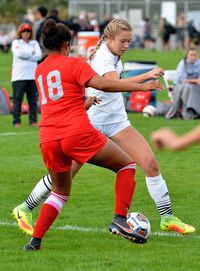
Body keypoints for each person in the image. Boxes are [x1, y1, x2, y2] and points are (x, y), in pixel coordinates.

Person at [13, 19, 195, 244]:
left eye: (129, 41)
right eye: (122, 41)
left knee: (149, 163)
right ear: (109, 38)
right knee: (66, 178)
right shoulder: (101, 58)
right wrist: (143, 81)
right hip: (90, 124)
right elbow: (109, 83)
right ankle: (26, 207)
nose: (126, 45)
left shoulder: (46, 67)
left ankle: (167, 217)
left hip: (114, 120)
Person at [11, 23, 42, 127]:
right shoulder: (16, 42)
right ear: (20, 32)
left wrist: (27, 54)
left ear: (31, 33)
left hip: (32, 76)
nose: (26, 33)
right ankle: (17, 122)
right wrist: (31, 54)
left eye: (28, 31)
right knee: (17, 101)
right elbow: (19, 54)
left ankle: (33, 121)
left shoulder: (34, 43)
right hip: (18, 77)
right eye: (24, 31)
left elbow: (39, 56)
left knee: (32, 101)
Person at [166, 48, 200, 119]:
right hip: (180, 86)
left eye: (195, 55)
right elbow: (183, 80)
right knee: (189, 87)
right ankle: (190, 112)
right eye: (191, 55)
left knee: (190, 87)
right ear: (187, 55)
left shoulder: (198, 63)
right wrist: (196, 80)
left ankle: (193, 111)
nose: (193, 57)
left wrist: (196, 81)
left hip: (195, 85)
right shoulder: (182, 64)